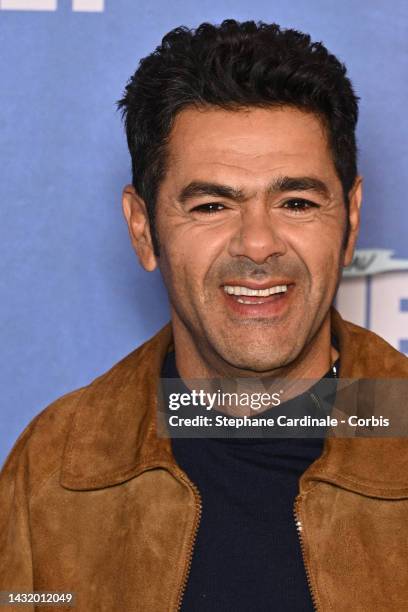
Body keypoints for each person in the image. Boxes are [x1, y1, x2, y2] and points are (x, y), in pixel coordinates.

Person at [1, 19, 407, 612]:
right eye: (213, 205)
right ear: (143, 229)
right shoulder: (53, 470)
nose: (259, 244)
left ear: (350, 221)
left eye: (296, 202)